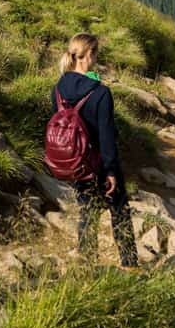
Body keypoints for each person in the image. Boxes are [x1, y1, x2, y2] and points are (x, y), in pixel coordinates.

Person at [51, 33, 138, 267]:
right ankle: (129, 264)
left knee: (87, 211)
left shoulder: (58, 89)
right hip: (100, 161)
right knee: (119, 210)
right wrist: (110, 170)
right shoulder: (100, 92)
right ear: (89, 55)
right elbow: (107, 135)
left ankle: (87, 263)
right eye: (96, 53)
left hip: (76, 162)